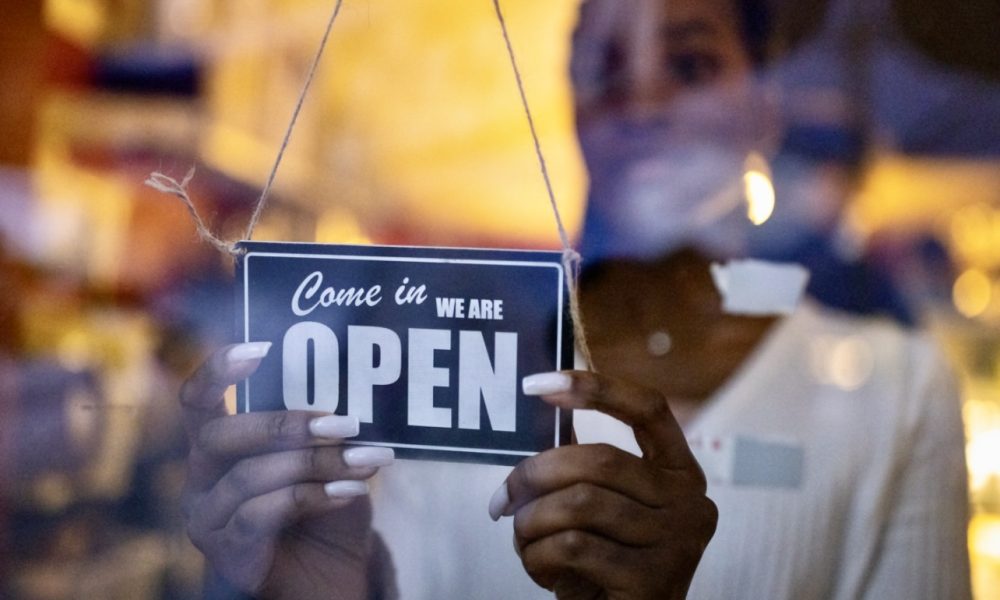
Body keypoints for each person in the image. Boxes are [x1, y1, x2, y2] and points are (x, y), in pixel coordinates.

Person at [179, 0, 970, 598]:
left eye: (690, 65)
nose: (644, 103)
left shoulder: (892, 393)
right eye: (605, 72)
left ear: (761, 109)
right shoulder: (457, 368)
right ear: (573, 109)